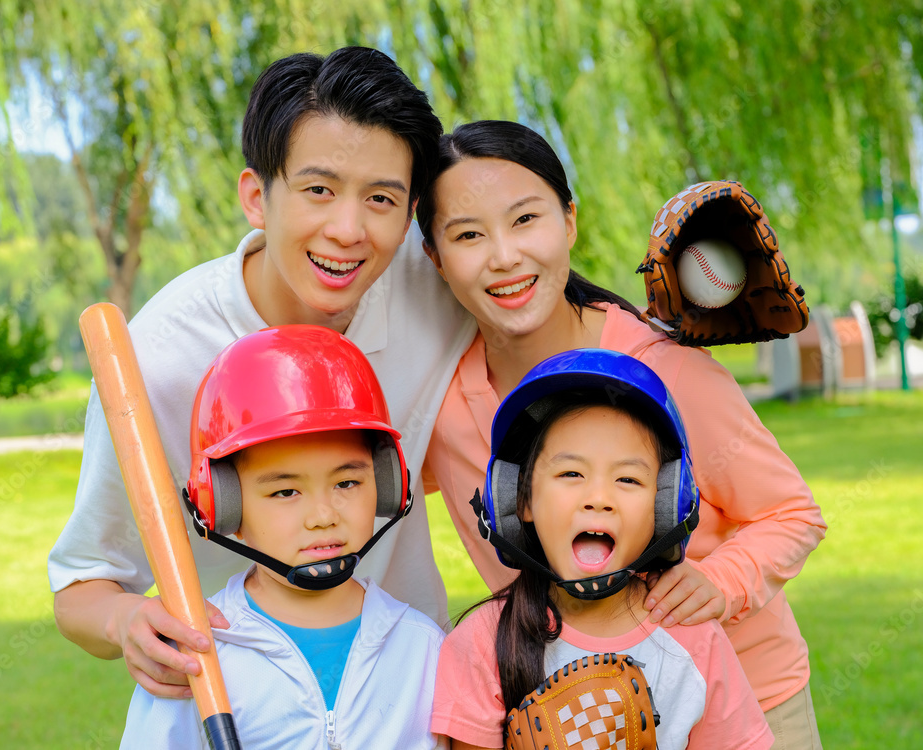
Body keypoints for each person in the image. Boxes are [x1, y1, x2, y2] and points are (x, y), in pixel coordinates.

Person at [49, 46, 475, 699]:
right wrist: (127, 619)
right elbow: (82, 584)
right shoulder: (158, 360)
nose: (348, 229)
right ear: (257, 196)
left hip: (406, 695)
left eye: (382, 199)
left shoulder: (444, 280)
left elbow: (567, 317)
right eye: (318, 190)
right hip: (243, 704)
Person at [416, 121, 825, 747]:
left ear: (570, 221)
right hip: (581, 712)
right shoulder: (441, 406)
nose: (503, 255)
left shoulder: (662, 368)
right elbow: (340, 489)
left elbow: (792, 513)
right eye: (468, 235)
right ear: (436, 259)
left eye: (526, 220)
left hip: (746, 696)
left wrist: (718, 583)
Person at [121, 326, 445, 749]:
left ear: (387, 484)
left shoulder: (422, 649)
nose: (323, 516)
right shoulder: (195, 657)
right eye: (285, 491)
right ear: (223, 504)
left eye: (347, 483)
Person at [432, 348, 773, 749]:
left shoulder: (694, 640)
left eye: (628, 479)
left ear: (666, 509)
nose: (598, 498)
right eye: (570, 473)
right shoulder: (481, 645)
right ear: (518, 502)